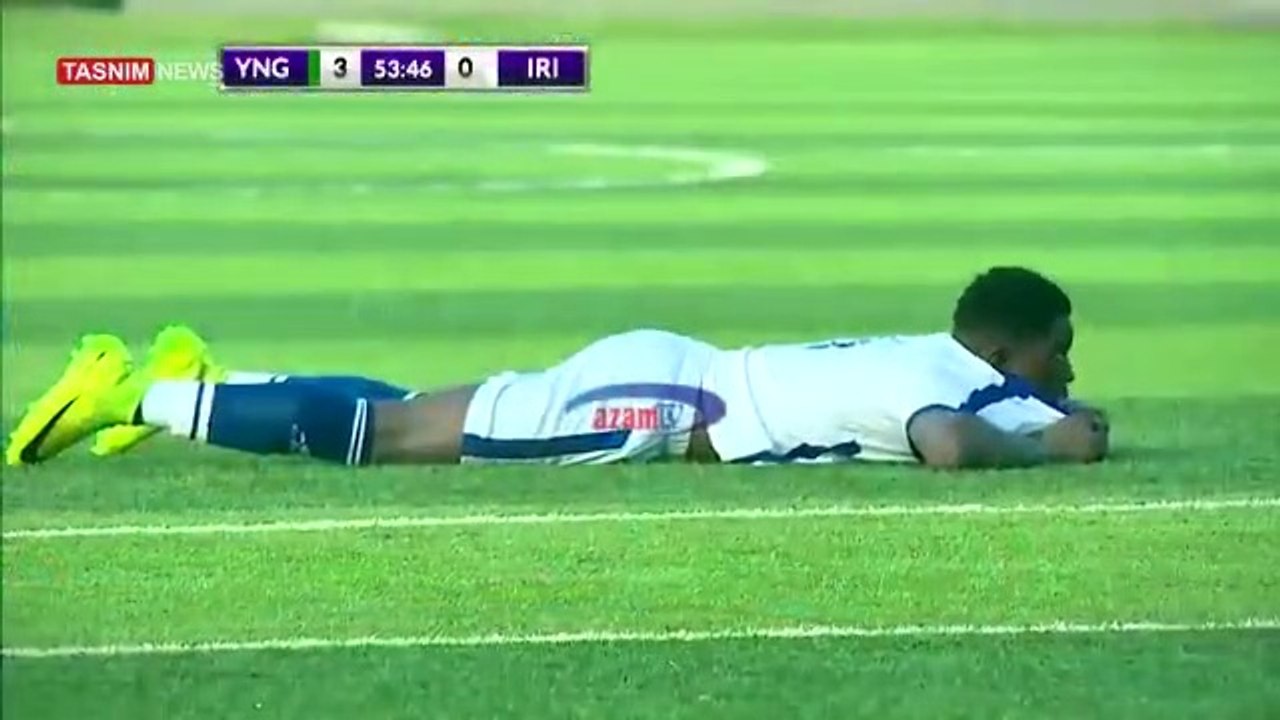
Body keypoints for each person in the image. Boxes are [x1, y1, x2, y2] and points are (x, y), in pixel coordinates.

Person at [5, 266, 1109, 469]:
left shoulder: (941, 360)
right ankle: (132, 390)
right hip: (661, 406)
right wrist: (1052, 452)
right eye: (1056, 347)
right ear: (1003, 351)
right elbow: (947, 446)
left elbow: (993, 415)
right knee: (399, 437)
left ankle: (211, 378)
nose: (1069, 365)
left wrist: (1060, 425)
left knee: (420, 408)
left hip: (675, 374)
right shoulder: (943, 391)